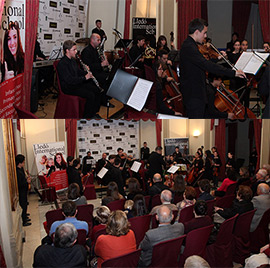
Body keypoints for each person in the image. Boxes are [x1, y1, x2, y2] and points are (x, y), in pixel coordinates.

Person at [179, 18, 245, 118]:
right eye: (204, 33)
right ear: (197, 32)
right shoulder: (189, 47)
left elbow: (206, 63)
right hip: (194, 95)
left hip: (196, 94)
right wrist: (233, 73)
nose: (205, 36)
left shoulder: (191, 45)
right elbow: (207, 65)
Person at [57, 40, 101, 118]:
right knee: (90, 95)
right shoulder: (62, 63)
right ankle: (87, 117)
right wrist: (84, 78)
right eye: (74, 50)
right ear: (67, 51)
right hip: (68, 88)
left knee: (96, 90)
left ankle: (94, 113)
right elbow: (69, 80)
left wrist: (87, 73)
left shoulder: (73, 61)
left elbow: (78, 71)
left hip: (76, 84)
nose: (76, 51)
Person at [15, 154, 31, 226]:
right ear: (20, 163)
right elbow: (20, 183)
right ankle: (24, 221)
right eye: (23, 162)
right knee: (23, 205)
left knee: (25, 204)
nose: (24, 163)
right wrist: (26, 181)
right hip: (21, 191)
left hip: (24, 190)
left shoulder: (21, 169)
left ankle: (25, 216)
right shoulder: (17, 172)